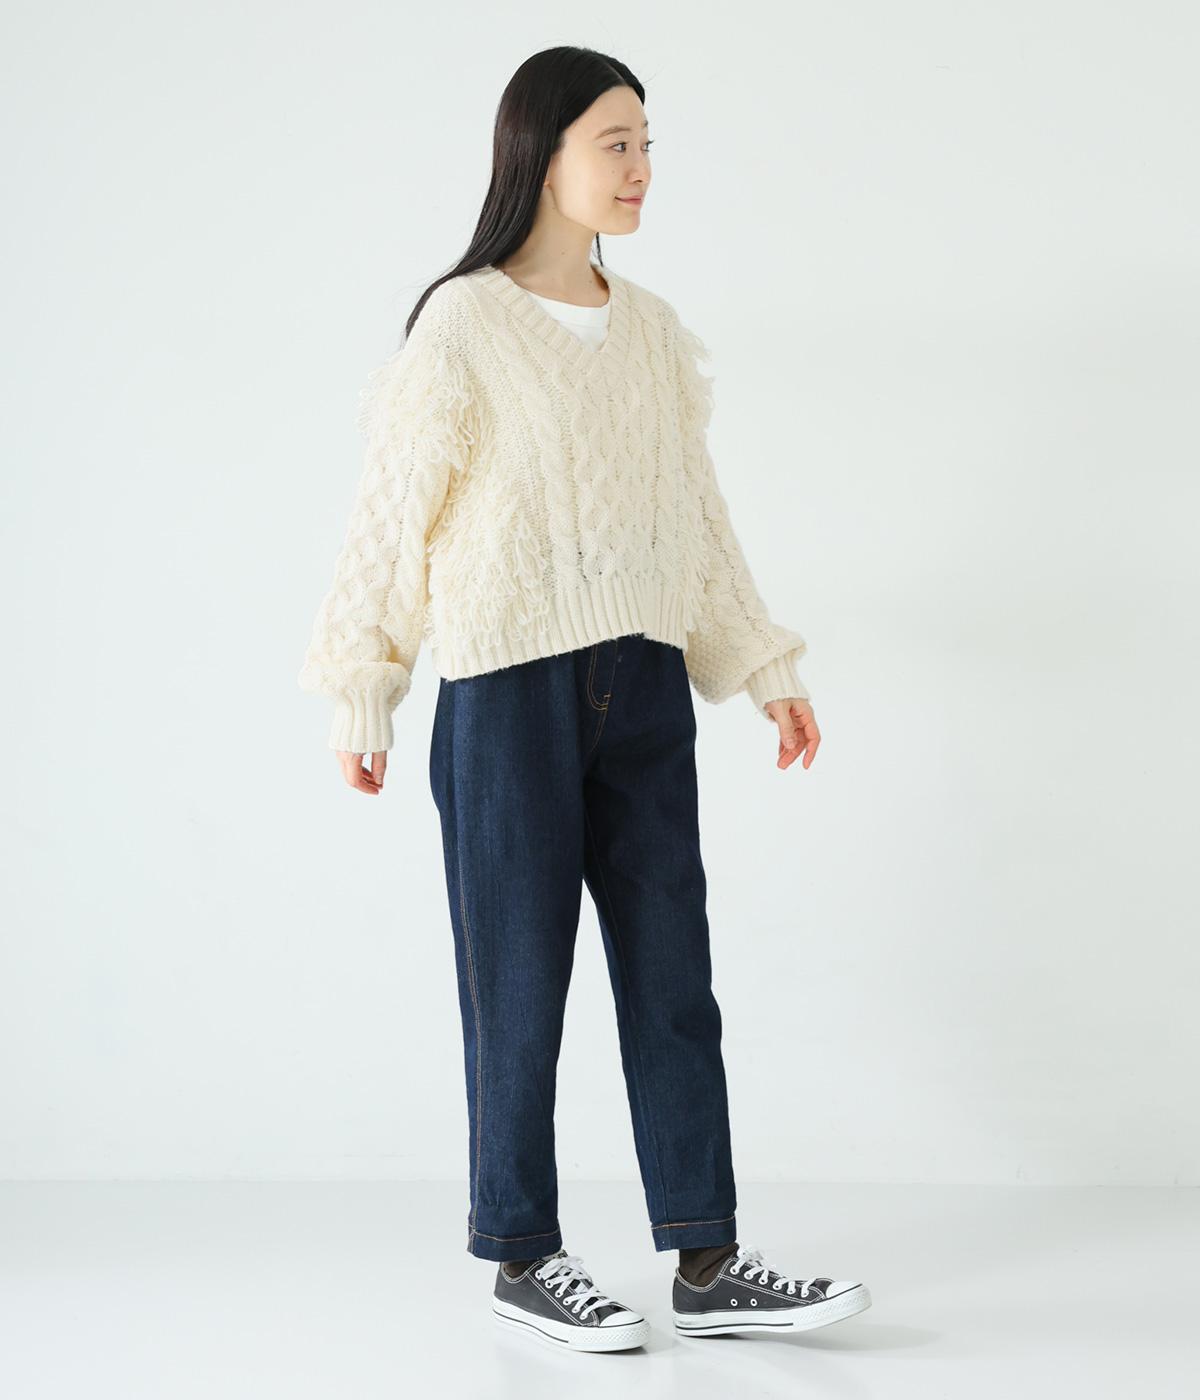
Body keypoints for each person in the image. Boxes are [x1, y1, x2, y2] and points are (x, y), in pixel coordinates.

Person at [297, 45, 871, 1353]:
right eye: (616, 143)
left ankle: (707, 1260)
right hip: (506, 691)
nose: (641, 168)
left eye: (649, 145)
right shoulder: (466, 323)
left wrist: (763, 666)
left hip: (646, 680)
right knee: (519, 984)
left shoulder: (652, 330)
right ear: (540, 154)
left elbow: (695, 516)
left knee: (674, 978)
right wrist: (364, 686)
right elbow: (394, 510)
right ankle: (522, 1255)